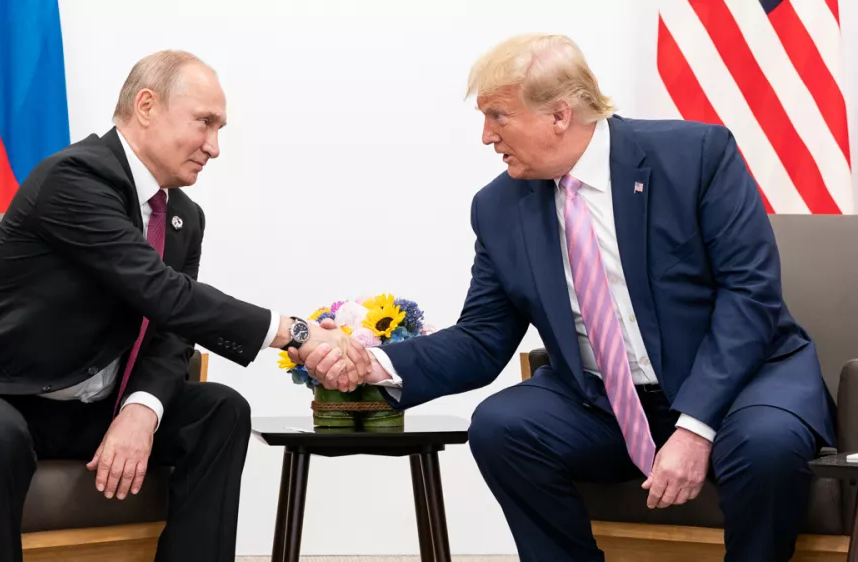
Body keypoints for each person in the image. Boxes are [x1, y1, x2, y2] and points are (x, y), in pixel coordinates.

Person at [297, 34, 835, 562]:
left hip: (741, 383)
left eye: (498, 116)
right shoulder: (498, 208)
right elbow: (483, 337)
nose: (486, 136)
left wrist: (695, 427)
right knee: (502, 426)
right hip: (606, 404)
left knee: (766, 446)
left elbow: (750, 294)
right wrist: (376, 363)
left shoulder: (695, 155)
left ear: (559, 115)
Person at [0, 50, 369, 562]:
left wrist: (141, 409)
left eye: (220, 128)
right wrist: (297, 333)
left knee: (220, 411)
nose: (214, 147)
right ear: (146, 106)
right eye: (205, 123)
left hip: (90, 409)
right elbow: (162, 292)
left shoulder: (183, 217)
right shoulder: (73, 179)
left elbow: (171, 330)